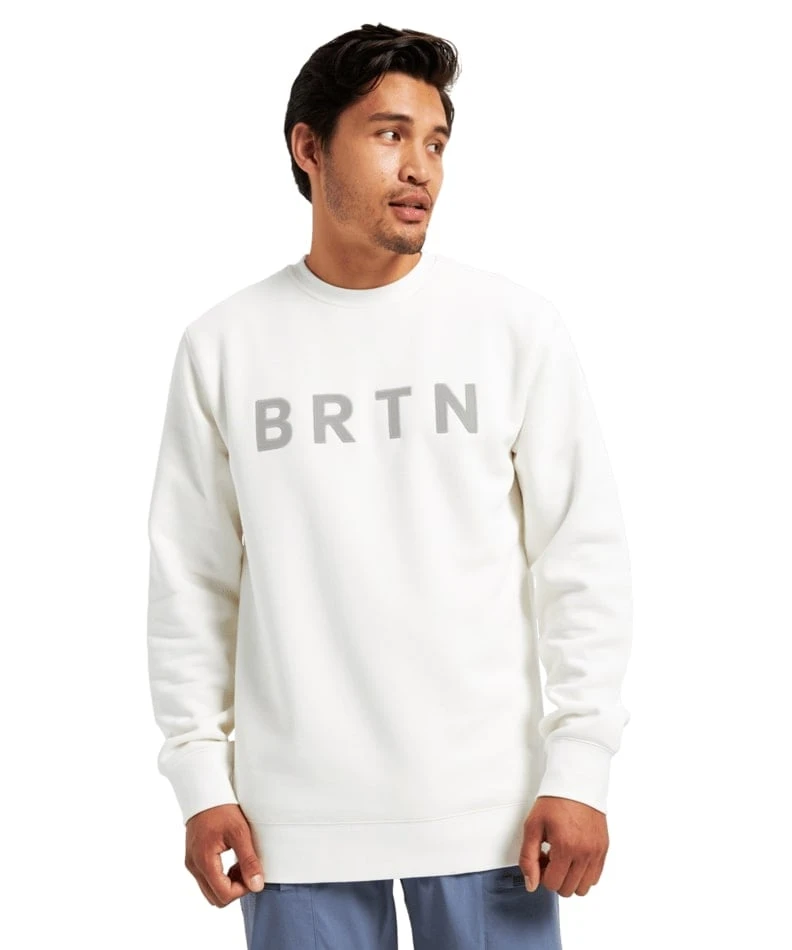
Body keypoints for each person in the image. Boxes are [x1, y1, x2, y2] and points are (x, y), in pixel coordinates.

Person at [146, 21, 633, 950]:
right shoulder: (225, 346)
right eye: (389, 134)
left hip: (493, 818)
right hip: (293, 827)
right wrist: (201, 781)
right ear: (309, 147)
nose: (420, 168)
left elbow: (582, 557)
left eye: (436, 142)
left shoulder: (511, 327)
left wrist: (580, 766)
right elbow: (192, 584)